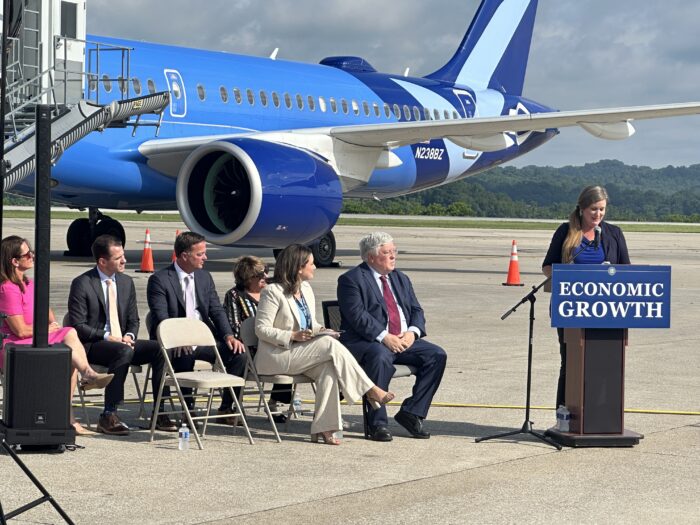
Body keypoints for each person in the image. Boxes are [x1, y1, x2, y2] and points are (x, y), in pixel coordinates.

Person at [255, 244, 394, 445]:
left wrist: (323, 330)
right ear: (298, 267)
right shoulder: (272, 291)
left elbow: (311, 324)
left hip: (302, 352)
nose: (315, 267)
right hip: (278, 355)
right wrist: (292, 335)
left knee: (328, 369)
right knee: (329, 346)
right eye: (311, 264)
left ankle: (325, 428)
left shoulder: (306, 289)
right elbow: (261, 329)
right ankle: (370, 389)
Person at [337, 232, 447, 442]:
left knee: (437, 355)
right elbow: (358, 317)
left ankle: (411, 413)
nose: (393, 256)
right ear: (371, 257)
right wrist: (384, 337)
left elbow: (416, 310)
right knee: (380, 358)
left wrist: (412, 333)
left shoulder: (400, 278)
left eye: (393, 251)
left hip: (403, 339)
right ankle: (377, 424)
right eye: (387, 253)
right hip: (368, 342)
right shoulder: (351, 280)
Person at [0, 235, 113, 436]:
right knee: (69, 332)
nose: (32, 256)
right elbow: (19, 330)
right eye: (27, 254)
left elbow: (49, 316)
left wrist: (47, 324)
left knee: (68, 357)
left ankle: (69, 419)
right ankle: (88, 376)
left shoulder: (30, 284)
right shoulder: (7, 289)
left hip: (33, 339)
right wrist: (46, 328)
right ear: (14, 261)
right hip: (13, 346)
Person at [67, 234, 177, 435]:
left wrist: (130, 336)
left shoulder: (126, 282)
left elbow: (133, 319)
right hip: (93, 344)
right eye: (119, 258)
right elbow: (77, 326)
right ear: (102, 261)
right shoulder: (82, 283)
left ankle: (159, 411)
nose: (125, 261)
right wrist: (108, 336)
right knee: (122, 352)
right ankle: (108, 414)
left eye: (123, 256)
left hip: (123, 343)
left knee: (159, 348)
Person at [542, 185, 630, 408]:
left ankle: (598, 412)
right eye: (593, 209)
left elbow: (626, 271)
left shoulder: (614, 233)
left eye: (602, 210)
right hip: (570, 307)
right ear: (581, 208)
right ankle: (564, 414)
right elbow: (547, 267)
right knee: (570, 362)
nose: (598, 215)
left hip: (606, 310)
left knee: (601, 363)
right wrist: (570, 273)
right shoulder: (566, 232)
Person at [146, 231, 246, 422]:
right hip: (174, 339)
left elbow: (216, 310)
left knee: (238, 354)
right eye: (200, 254)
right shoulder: (160, 279)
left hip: (203, 339)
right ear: (184, 256)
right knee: (184, 354)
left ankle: (226, 408)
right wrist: (177, 338)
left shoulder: (204, 277)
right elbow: (161, 316)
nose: (205, 258)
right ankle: (186, 408)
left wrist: (228, 335)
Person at [223, 255, 290, 423]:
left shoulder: (272, 292)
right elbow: (235, 326)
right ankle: (228, 406)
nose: (265, 278)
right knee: (240, 355)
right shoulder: (234, 295)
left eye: (266, 273)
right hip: (250, 346)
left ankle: (276, 402)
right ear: (247, 278)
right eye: (260, 275)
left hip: (273, 342)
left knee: (289, 351)